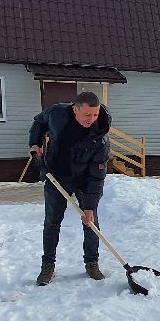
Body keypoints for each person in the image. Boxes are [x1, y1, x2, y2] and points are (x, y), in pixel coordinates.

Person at [28, 91, 111, 286]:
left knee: (91, 222)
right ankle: (48, 266)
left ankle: (92, 263)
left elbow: (97, 177)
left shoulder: (100, 138)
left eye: (95, 114)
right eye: (87, 114)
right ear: (75, 110)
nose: (92, 119)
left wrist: (89, 207)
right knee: (52, 222)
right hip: (56, 174)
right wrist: (35, 143)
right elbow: (38, 122)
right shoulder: (57, 114)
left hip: (84, 180)